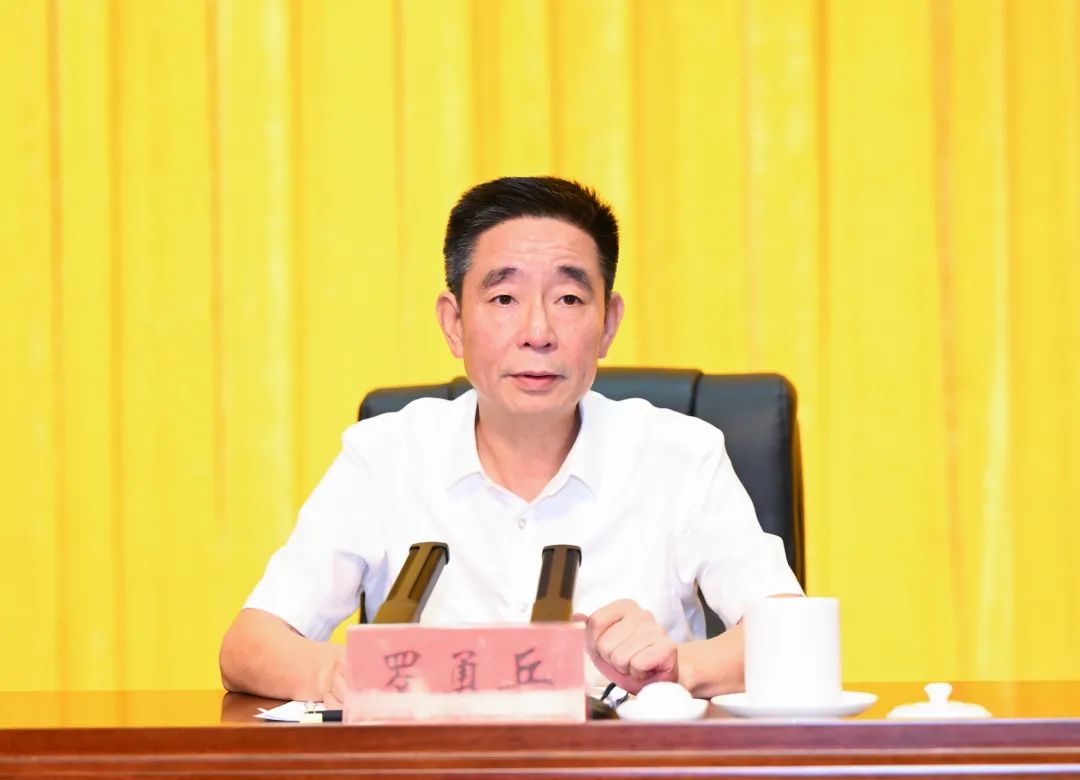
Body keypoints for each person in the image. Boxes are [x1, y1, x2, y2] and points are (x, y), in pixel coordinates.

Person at [219, 176, 802, 707]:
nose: (538, 332)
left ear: (608, 324)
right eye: (504, 299)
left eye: (569, 299)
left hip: (620, 769)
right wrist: (336, 674)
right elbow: (248, 646)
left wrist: (678, 668)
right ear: (453, 323)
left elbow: (793, 636)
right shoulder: (385, 455)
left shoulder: (680, 454)